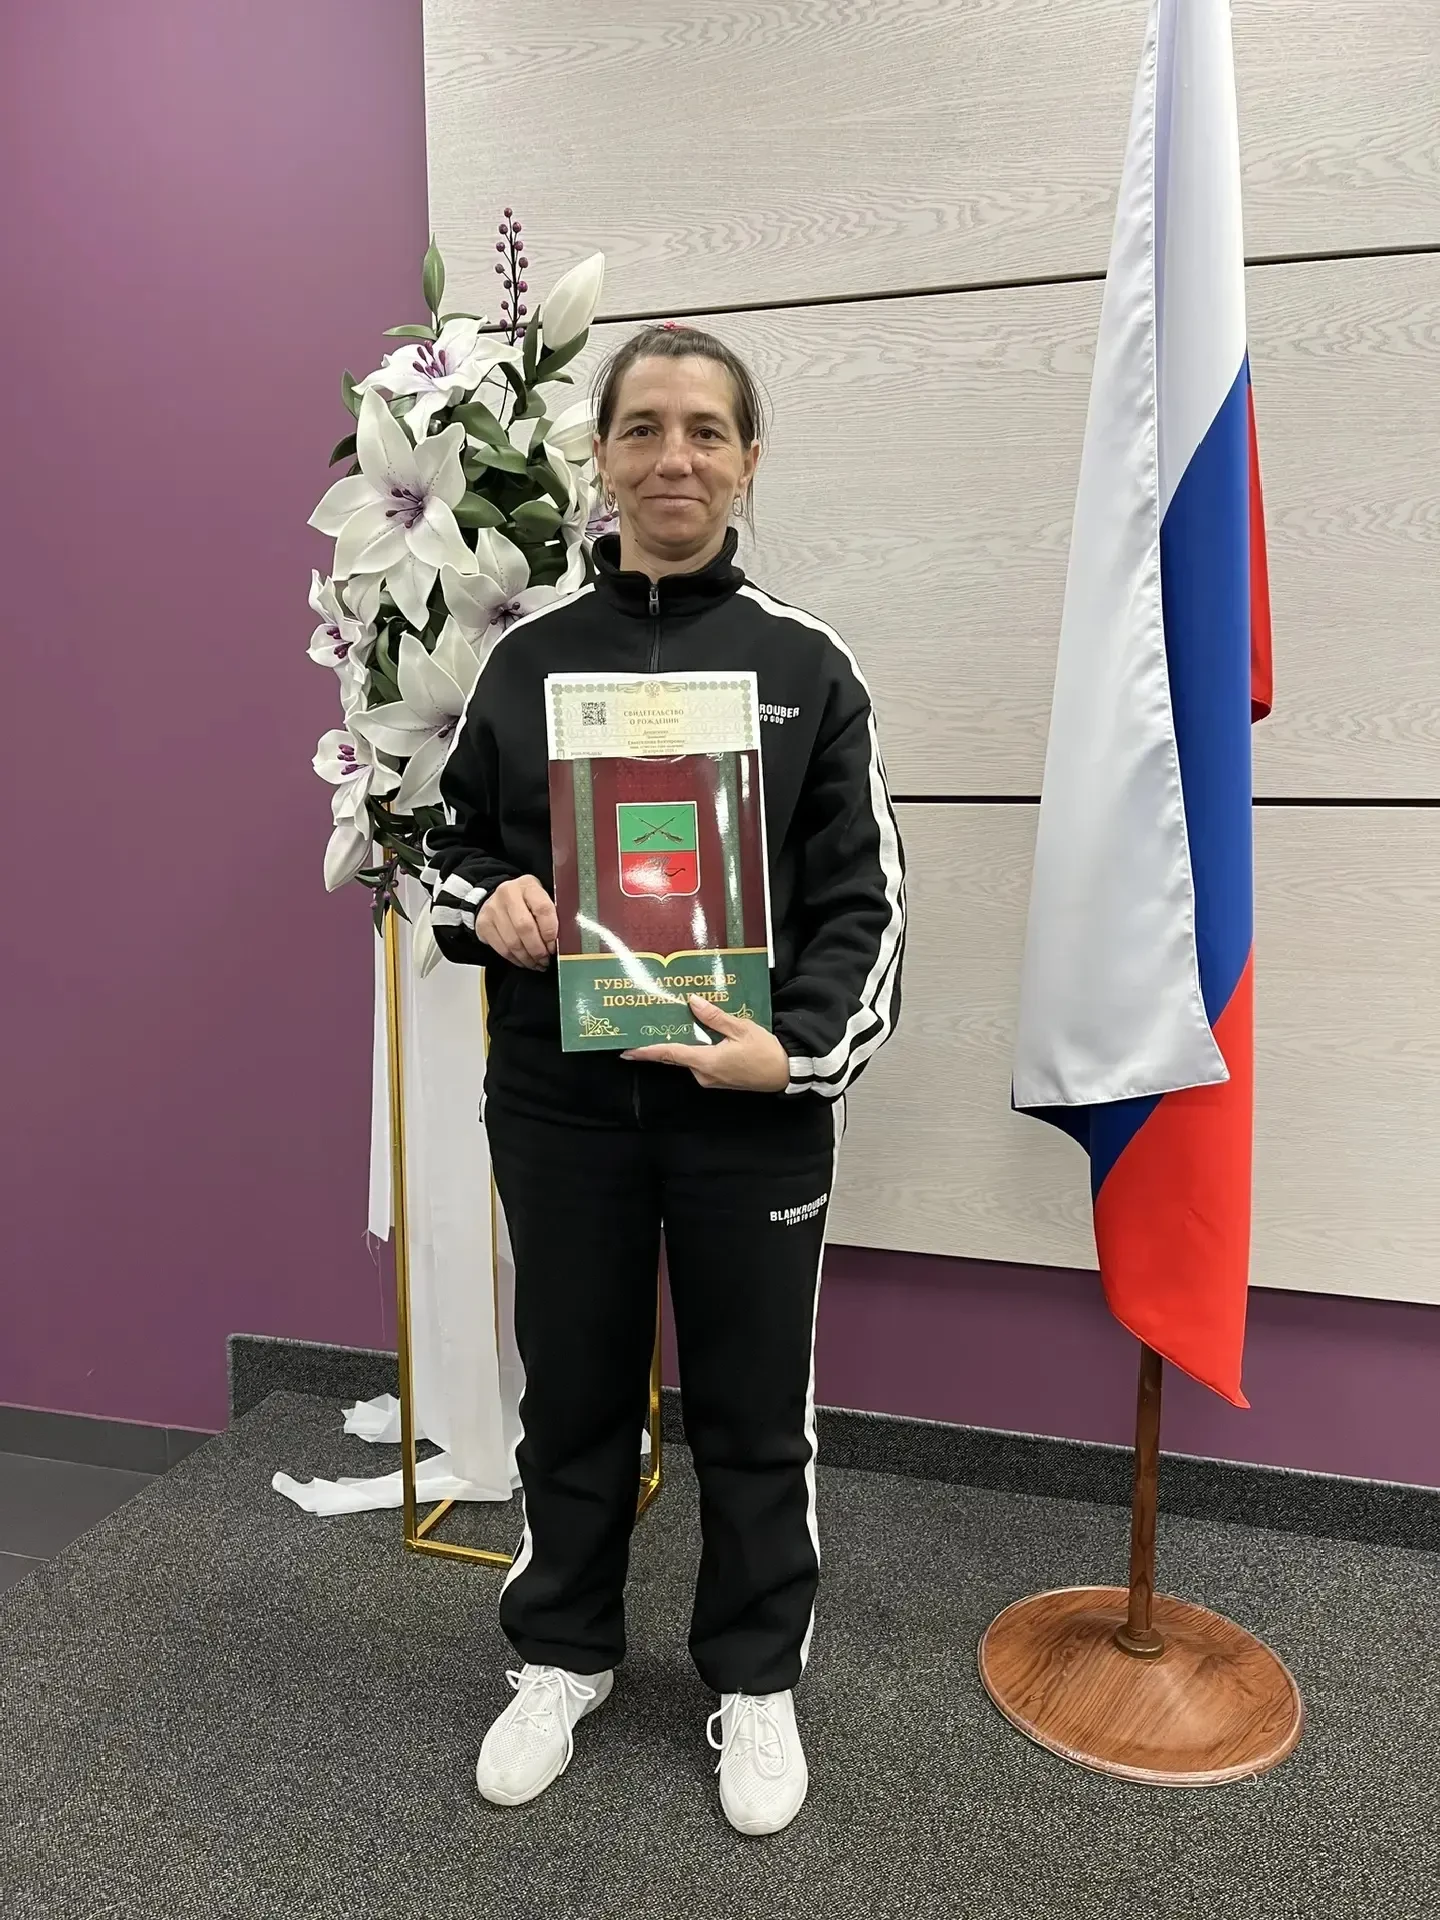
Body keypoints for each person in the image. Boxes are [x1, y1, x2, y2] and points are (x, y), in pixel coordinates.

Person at [422, 323, 906, 1836]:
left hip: (749, 1112)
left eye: (705, 429)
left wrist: (794, 1051)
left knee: (754, 1410)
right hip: (559, 1108)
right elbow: (446, 853)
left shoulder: (807, 668)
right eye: (643, 428)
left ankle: (754, 1678)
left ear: (749, 459)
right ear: (603, 458)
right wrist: (491, 903)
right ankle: (561, 1654)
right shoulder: (524, 662)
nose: (673, 457)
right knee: (571, 1392)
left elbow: (865, 905)